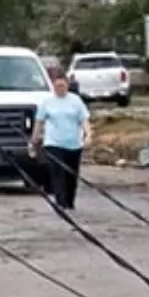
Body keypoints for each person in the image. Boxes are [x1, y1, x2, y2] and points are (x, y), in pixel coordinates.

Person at [32, 70, 91, 210]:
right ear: (53, 86)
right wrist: (34, 139)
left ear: (67, 85)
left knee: (71, 175)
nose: (60, 89)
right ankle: (60, 202)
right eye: (57, 86)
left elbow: (84, 120)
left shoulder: (75, 101)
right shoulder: (47, 102)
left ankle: (69, 201)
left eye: (62, 86)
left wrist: (88, 134)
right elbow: (39, 122)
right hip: (53, 143)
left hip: (73, 144)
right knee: (57, 173)